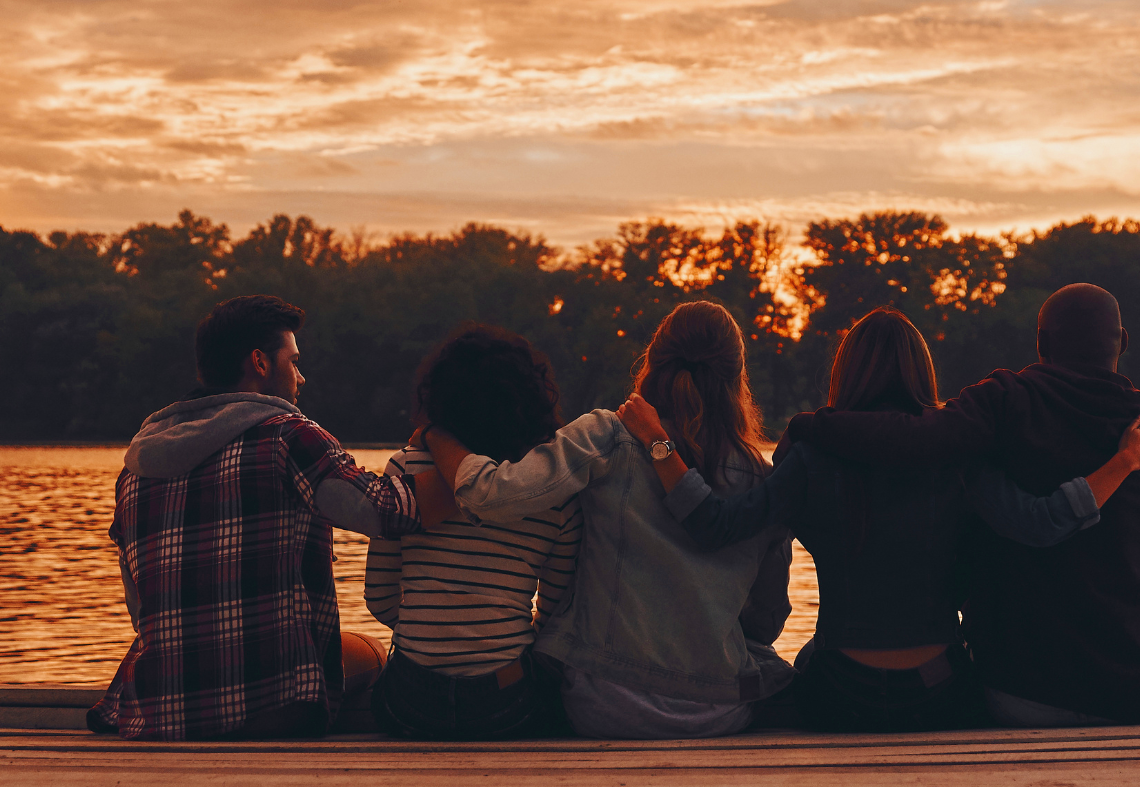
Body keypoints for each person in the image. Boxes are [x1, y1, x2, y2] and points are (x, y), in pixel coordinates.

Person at [618, 307, 1140, 732]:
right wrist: (1123, 462)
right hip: (939, 693)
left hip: (840, 693)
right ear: (921, 371)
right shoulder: (957, 455)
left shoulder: (811, 452)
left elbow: (715, 524)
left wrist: (661, 444)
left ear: (844, 372)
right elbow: (1041, 523)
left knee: (798, 664)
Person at [785, 284, 1140, 726]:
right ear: (1122, 341)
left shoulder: (1002, 408)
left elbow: (910, 437)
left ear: (1041, 343)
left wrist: (814, 425)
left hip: (1022, 694)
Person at [419, 301, 794, 739]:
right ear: (736, 378)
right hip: (718, 713)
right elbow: (767, 621)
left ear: (653, 361)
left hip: (604, 708)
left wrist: (437, 435)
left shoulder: (606, 435)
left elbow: (491, 496)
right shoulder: (760, 477)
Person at [92, 295, 415, 740]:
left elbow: (138, 608)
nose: (301, 377)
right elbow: (387, 512)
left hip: (160, 710)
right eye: (294, 362)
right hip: (275, 709)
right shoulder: (288, 436)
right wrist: (442, 454)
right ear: (260, 362)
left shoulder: (136, 468)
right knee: (373, 653)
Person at [365, 325, 580, 739]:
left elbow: (378, 596)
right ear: (533, 397)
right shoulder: (554, 489)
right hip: (506, 704)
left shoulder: (405, 467)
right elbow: (554, 612)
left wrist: (430, 643)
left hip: (411, 702)